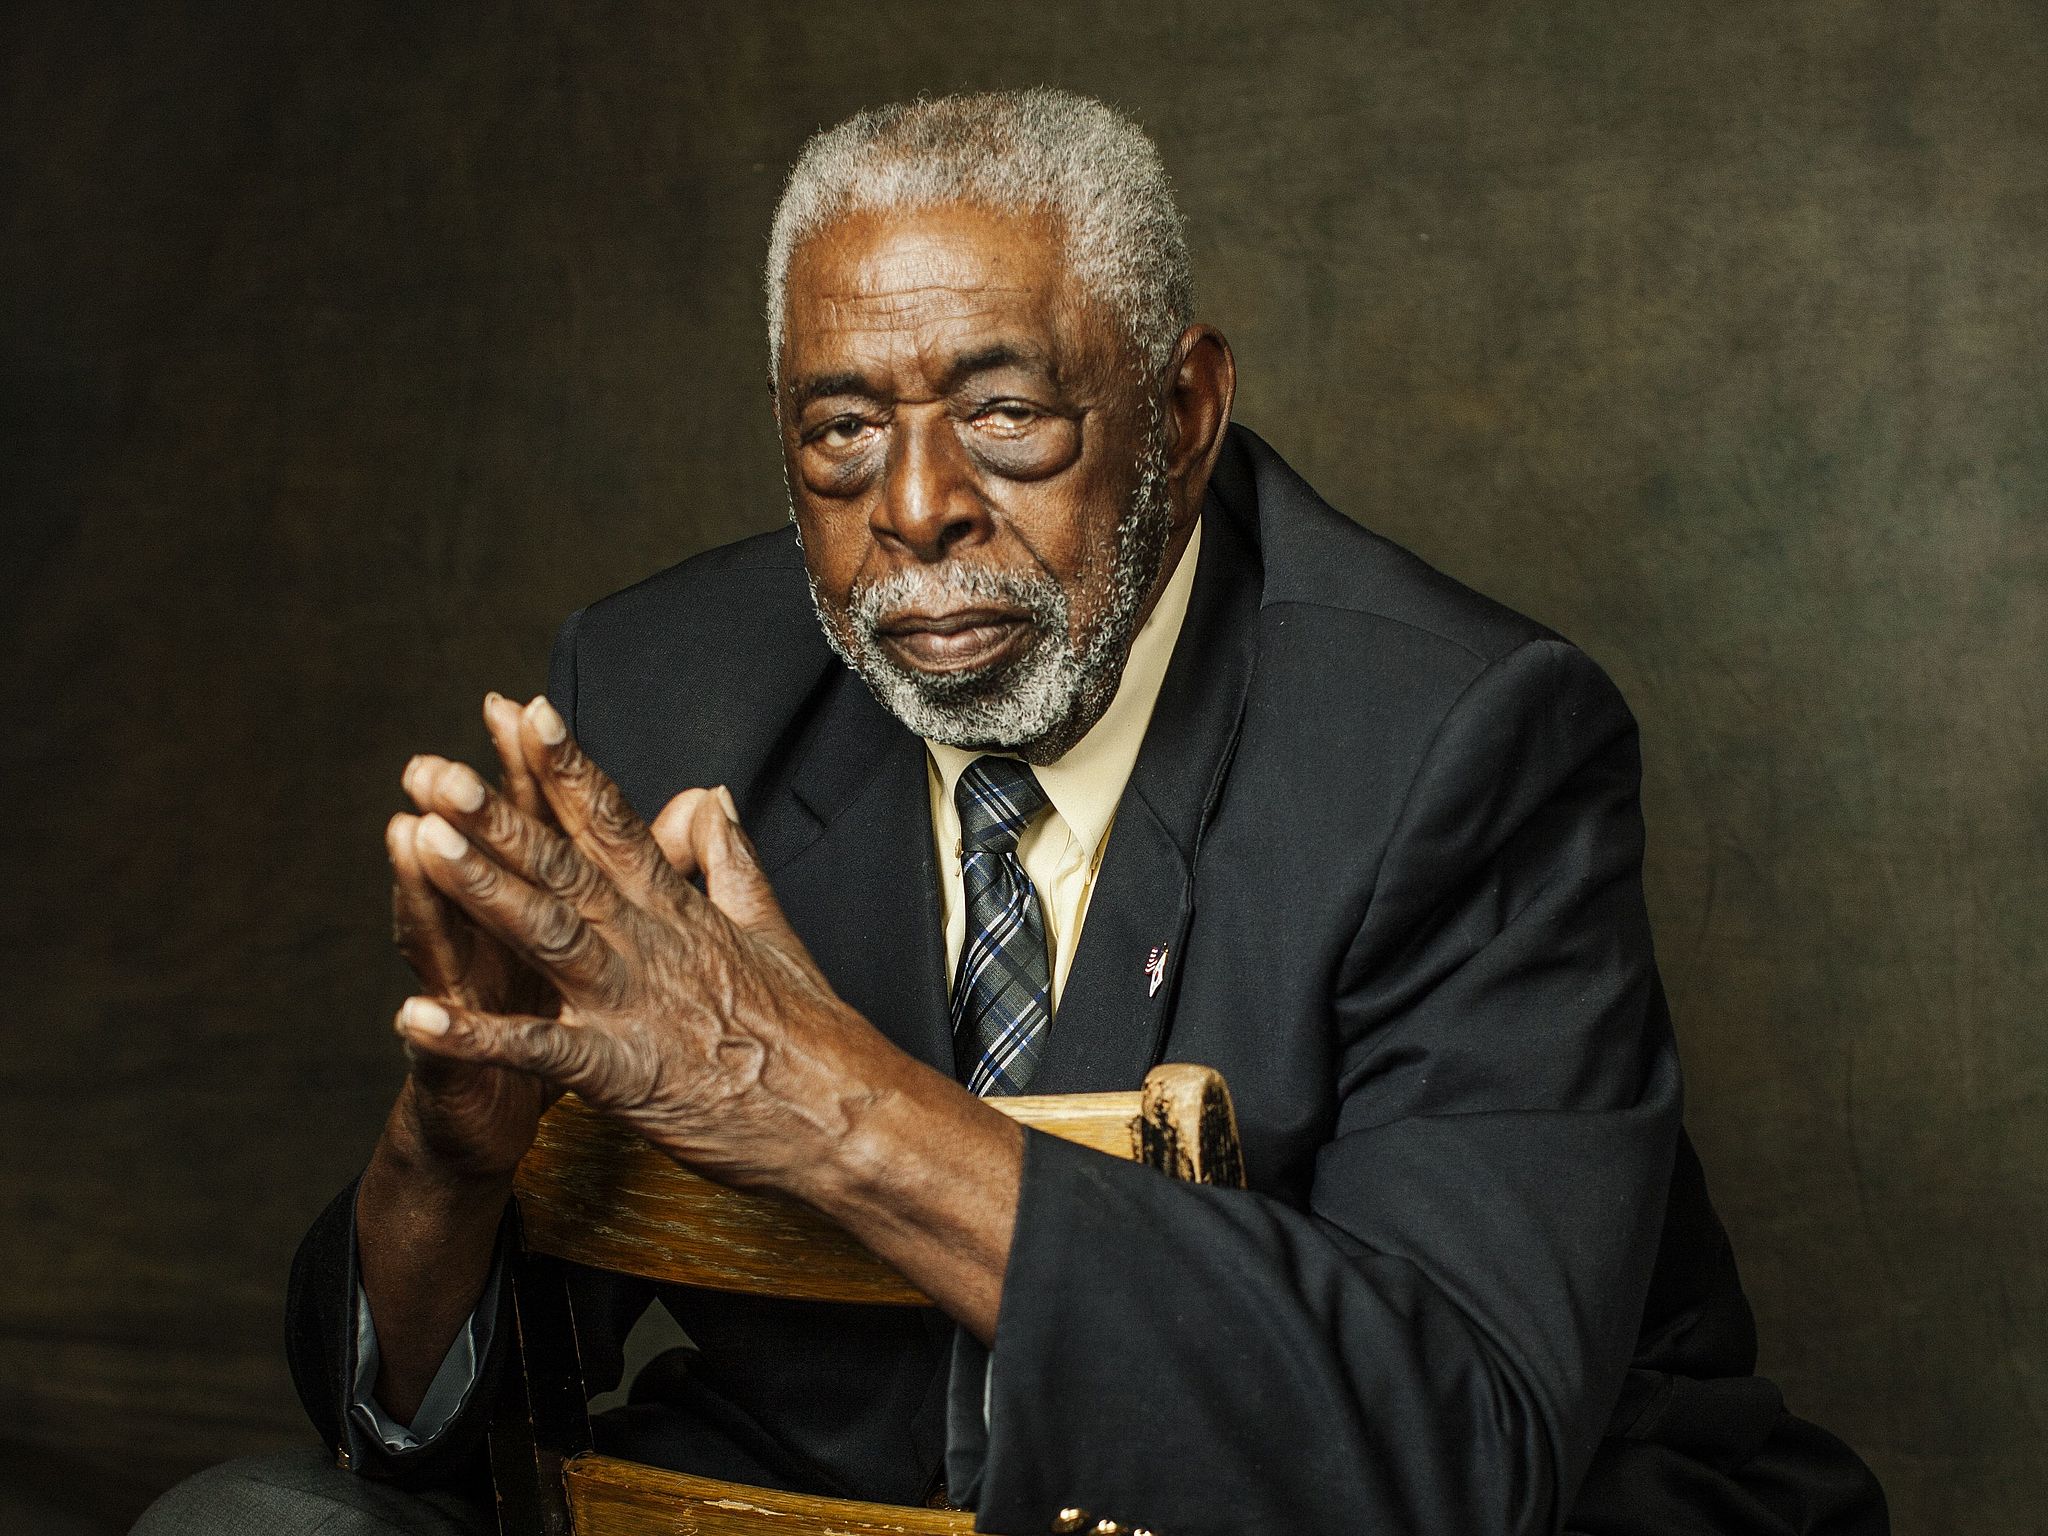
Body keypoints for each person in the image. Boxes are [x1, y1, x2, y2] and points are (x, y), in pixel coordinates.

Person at [135, 89, 1885, 1536]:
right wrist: (454, 1155)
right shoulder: (660, 697)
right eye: (840, 432)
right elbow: (436, 1429)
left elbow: (1452, 1453)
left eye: (1004, 412)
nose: (913, 509)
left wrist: (807, 1092)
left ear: (1185, 413)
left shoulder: (1459, 743)